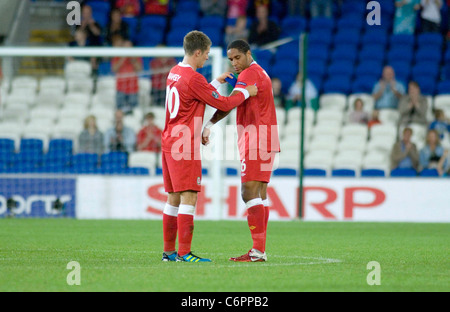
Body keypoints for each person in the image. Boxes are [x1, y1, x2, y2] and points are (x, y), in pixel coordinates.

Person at [161, 31, 258, 263]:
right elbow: (223, 102)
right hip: (184, 144)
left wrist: (214, 83)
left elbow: (191, 96)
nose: (207, 58)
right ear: (197, 52)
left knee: (173, 198)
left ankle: (168, 253)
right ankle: (184, 253)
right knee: (189, 196)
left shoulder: (174, 72)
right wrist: (246, 92)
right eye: (205, 54)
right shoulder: (194, 79)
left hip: (168, 141)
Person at [202, 39, 280, 262]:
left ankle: (257, 251)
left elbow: (231, 102)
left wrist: (208, 125)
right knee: (260, 194)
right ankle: (260, 251)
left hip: (256, 138)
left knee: (247, 192)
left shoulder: (248, 74)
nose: (234, 63)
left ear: (248, 53)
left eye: (237, 57)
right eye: (231, 59)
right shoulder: (261, 72)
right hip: (268, 137)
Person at [111, 35, 143, 115]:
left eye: (129, 46)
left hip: (133, 88)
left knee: (133, 112)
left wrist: (132, 59)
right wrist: (123, 57)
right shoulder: (118, 56)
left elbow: (139, 69)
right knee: (119, 110)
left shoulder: (136, 56)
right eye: (126, 46)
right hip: (121, 88)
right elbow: (114, 69)